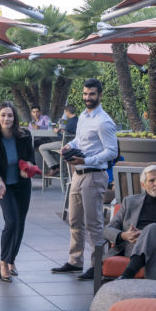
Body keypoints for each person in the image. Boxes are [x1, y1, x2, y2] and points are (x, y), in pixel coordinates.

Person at [53, 78, 117, 281]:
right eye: (85, 94)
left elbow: (112, 151)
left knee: (94, 224)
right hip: (77, 174)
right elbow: (80, 140)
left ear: (100, 95)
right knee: (74, 221)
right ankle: (75, 261)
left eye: (91, 94)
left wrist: (87, 159)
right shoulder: (83, 115)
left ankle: (97, 265)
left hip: (94, 175)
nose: (87, 98)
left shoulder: (104, 121)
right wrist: (69, 146)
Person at [0, 102, 33, 282]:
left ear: (15, 118)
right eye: (3, 115)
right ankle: (3, 262)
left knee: (20, 224)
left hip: (22, 185)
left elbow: (31, 158)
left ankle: (12, 260)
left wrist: (26, 168)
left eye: (10, 115)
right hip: (4, 186)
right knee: (11, 222)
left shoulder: (25, 136)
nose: (6, 119)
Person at [39, 105, 78, 175]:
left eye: (65, 112)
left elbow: (62, 138)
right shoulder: (78, 120)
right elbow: (69, 133)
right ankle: (56, 167)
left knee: (42, 147)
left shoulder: (69, 123)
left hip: (65, 144)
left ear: (67, 112)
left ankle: (54, 167)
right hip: (74, 145)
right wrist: (63, 131)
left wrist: (57, 132)